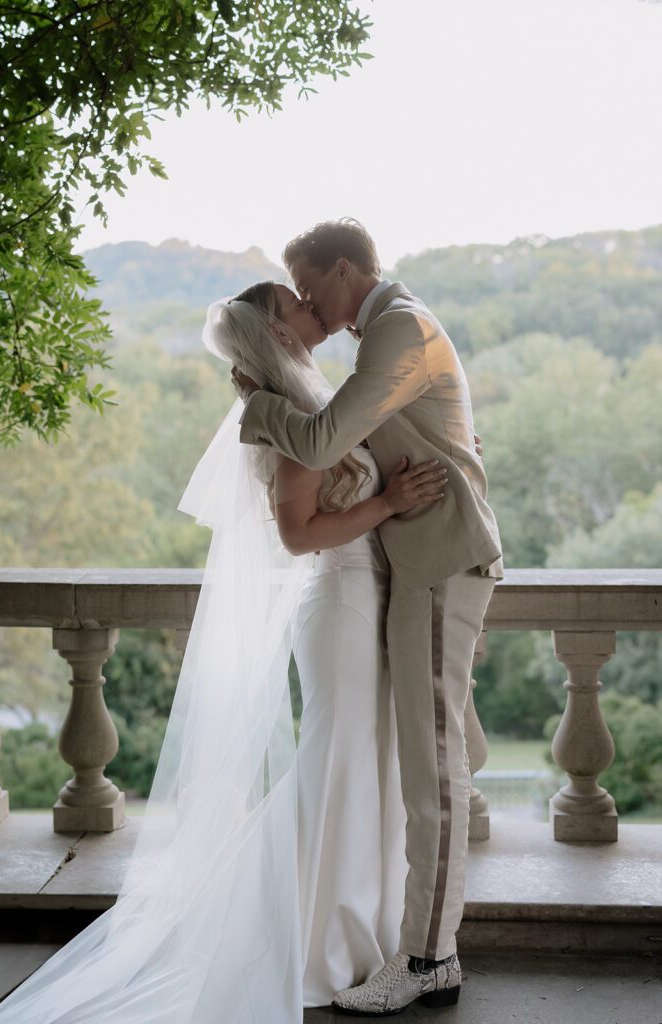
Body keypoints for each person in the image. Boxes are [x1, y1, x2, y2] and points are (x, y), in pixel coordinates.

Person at [0, 280, 449, 1024]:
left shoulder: (312, 396)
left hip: (369, 597)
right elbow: (298, 534)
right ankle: (319, 940)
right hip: (340, 604)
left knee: (363, 764)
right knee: (341, 767)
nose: (312, 306)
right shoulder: (286, 413)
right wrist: (389, 503)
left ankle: (364, 932)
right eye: (299, 302)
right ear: (279, 328)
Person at [233, 217, 504, 1017]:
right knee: (429, 760)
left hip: (434, 563)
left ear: (346, 268)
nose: (311, 302)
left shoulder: (397, 328)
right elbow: (396, 436)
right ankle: (418, 945)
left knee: (434, 771)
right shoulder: (391, 330)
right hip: (412, 567)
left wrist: (255, 411)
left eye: (311, 284)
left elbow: (320, 441)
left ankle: (427, 957)